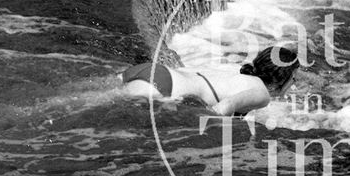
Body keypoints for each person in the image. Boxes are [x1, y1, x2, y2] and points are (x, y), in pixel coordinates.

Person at [121, 46, 300, 116]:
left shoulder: (238, 71)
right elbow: (224, 107)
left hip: (153, 71)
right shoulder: (262, 94)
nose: (295, 83)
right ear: (281, 78)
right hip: (166, 88)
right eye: (293, 78)